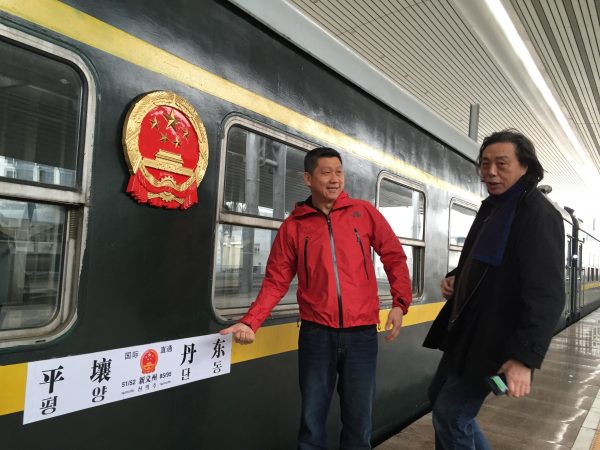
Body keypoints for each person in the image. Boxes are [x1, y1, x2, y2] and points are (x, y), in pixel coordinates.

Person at [221, 146, 412, 450]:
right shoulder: (294, 227)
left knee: (359, 421)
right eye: (326, 173)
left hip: (361, 335)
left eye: (339, 172)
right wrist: (250, 321)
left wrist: (400, 304)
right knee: (312, 421)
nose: (335, 179)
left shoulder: (364, 213)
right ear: (308, 178)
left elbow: (394, 257)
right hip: (316, 335)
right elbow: (276, 280)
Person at [423, 129, 565, 449]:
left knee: (451, 415)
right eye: (485, 163)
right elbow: (482, 260)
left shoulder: (539, 216)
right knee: (440, 399)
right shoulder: (495, 208)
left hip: (496, 341)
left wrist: (523, 359)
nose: (490, 172)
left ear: (525, 166)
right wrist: (458, 276)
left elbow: (548, 295)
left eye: (502, 164)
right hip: (469, 333)